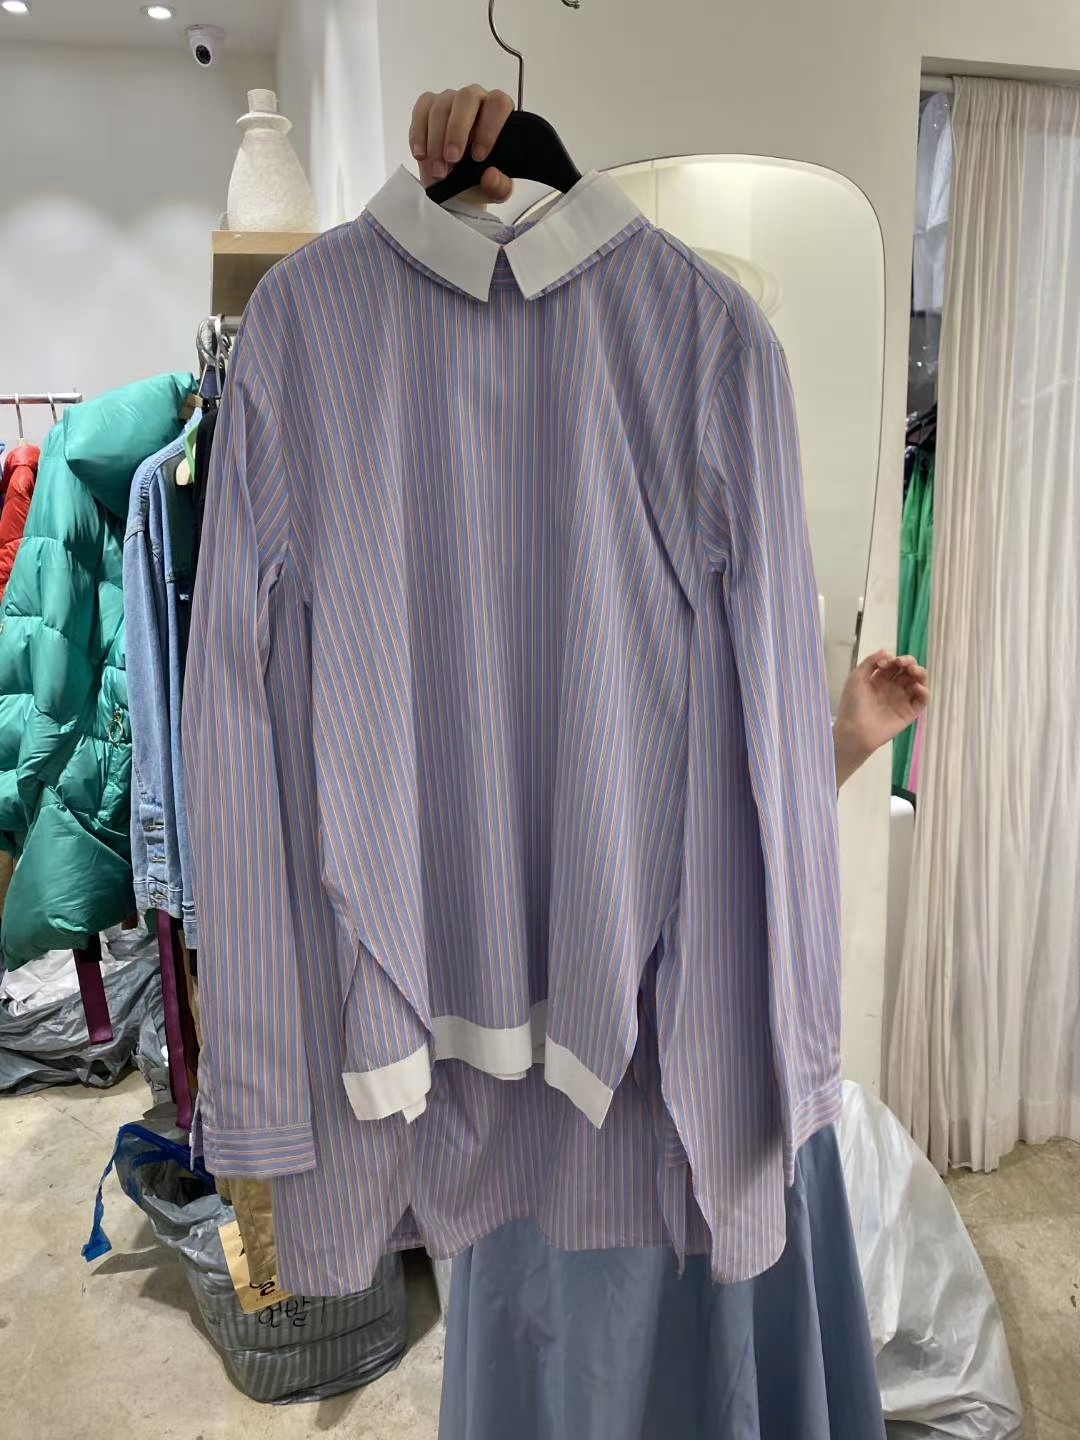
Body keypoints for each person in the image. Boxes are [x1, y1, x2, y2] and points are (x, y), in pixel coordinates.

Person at [407, 85, 929, 1438]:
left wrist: (841, 739)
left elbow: (739, 809)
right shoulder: (447, 453)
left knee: (684, 1340)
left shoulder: (723, 392)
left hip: (694, 1041)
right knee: (571, 1345)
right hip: (540, 1049)